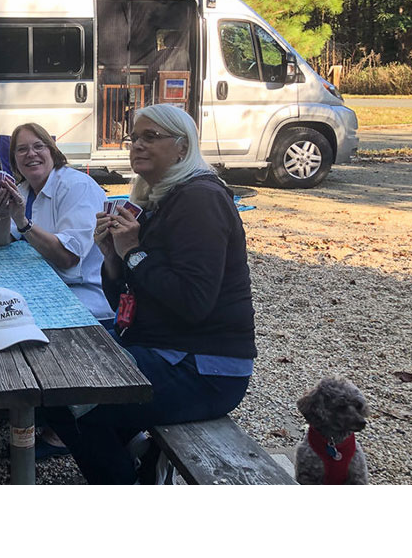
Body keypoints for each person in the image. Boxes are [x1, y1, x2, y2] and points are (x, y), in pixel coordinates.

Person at [43, 103, 257, 484]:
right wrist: (112, 256)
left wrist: (134, 253)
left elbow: (193, 303)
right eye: (134, 137)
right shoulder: (158, 197)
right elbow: (125, 301)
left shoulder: (200, 200)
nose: (137, 145)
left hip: (205, 367)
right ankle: (138, 459)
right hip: (163, 348)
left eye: (151, 137)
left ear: (182, 147)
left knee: (70, 401)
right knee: (61, 365)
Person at [0, 123, 115, 459]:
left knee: (8, 321)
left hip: (86, 295)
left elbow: (69, 258)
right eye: (22, 149)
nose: (31, 154)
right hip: (51, 287)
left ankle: (58, 426)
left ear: (53, 152)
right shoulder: (25, 190)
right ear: (13, 160)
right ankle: (24, 402)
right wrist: (2, 213)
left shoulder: (76, 187)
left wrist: (23, 224)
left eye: (38, 146)